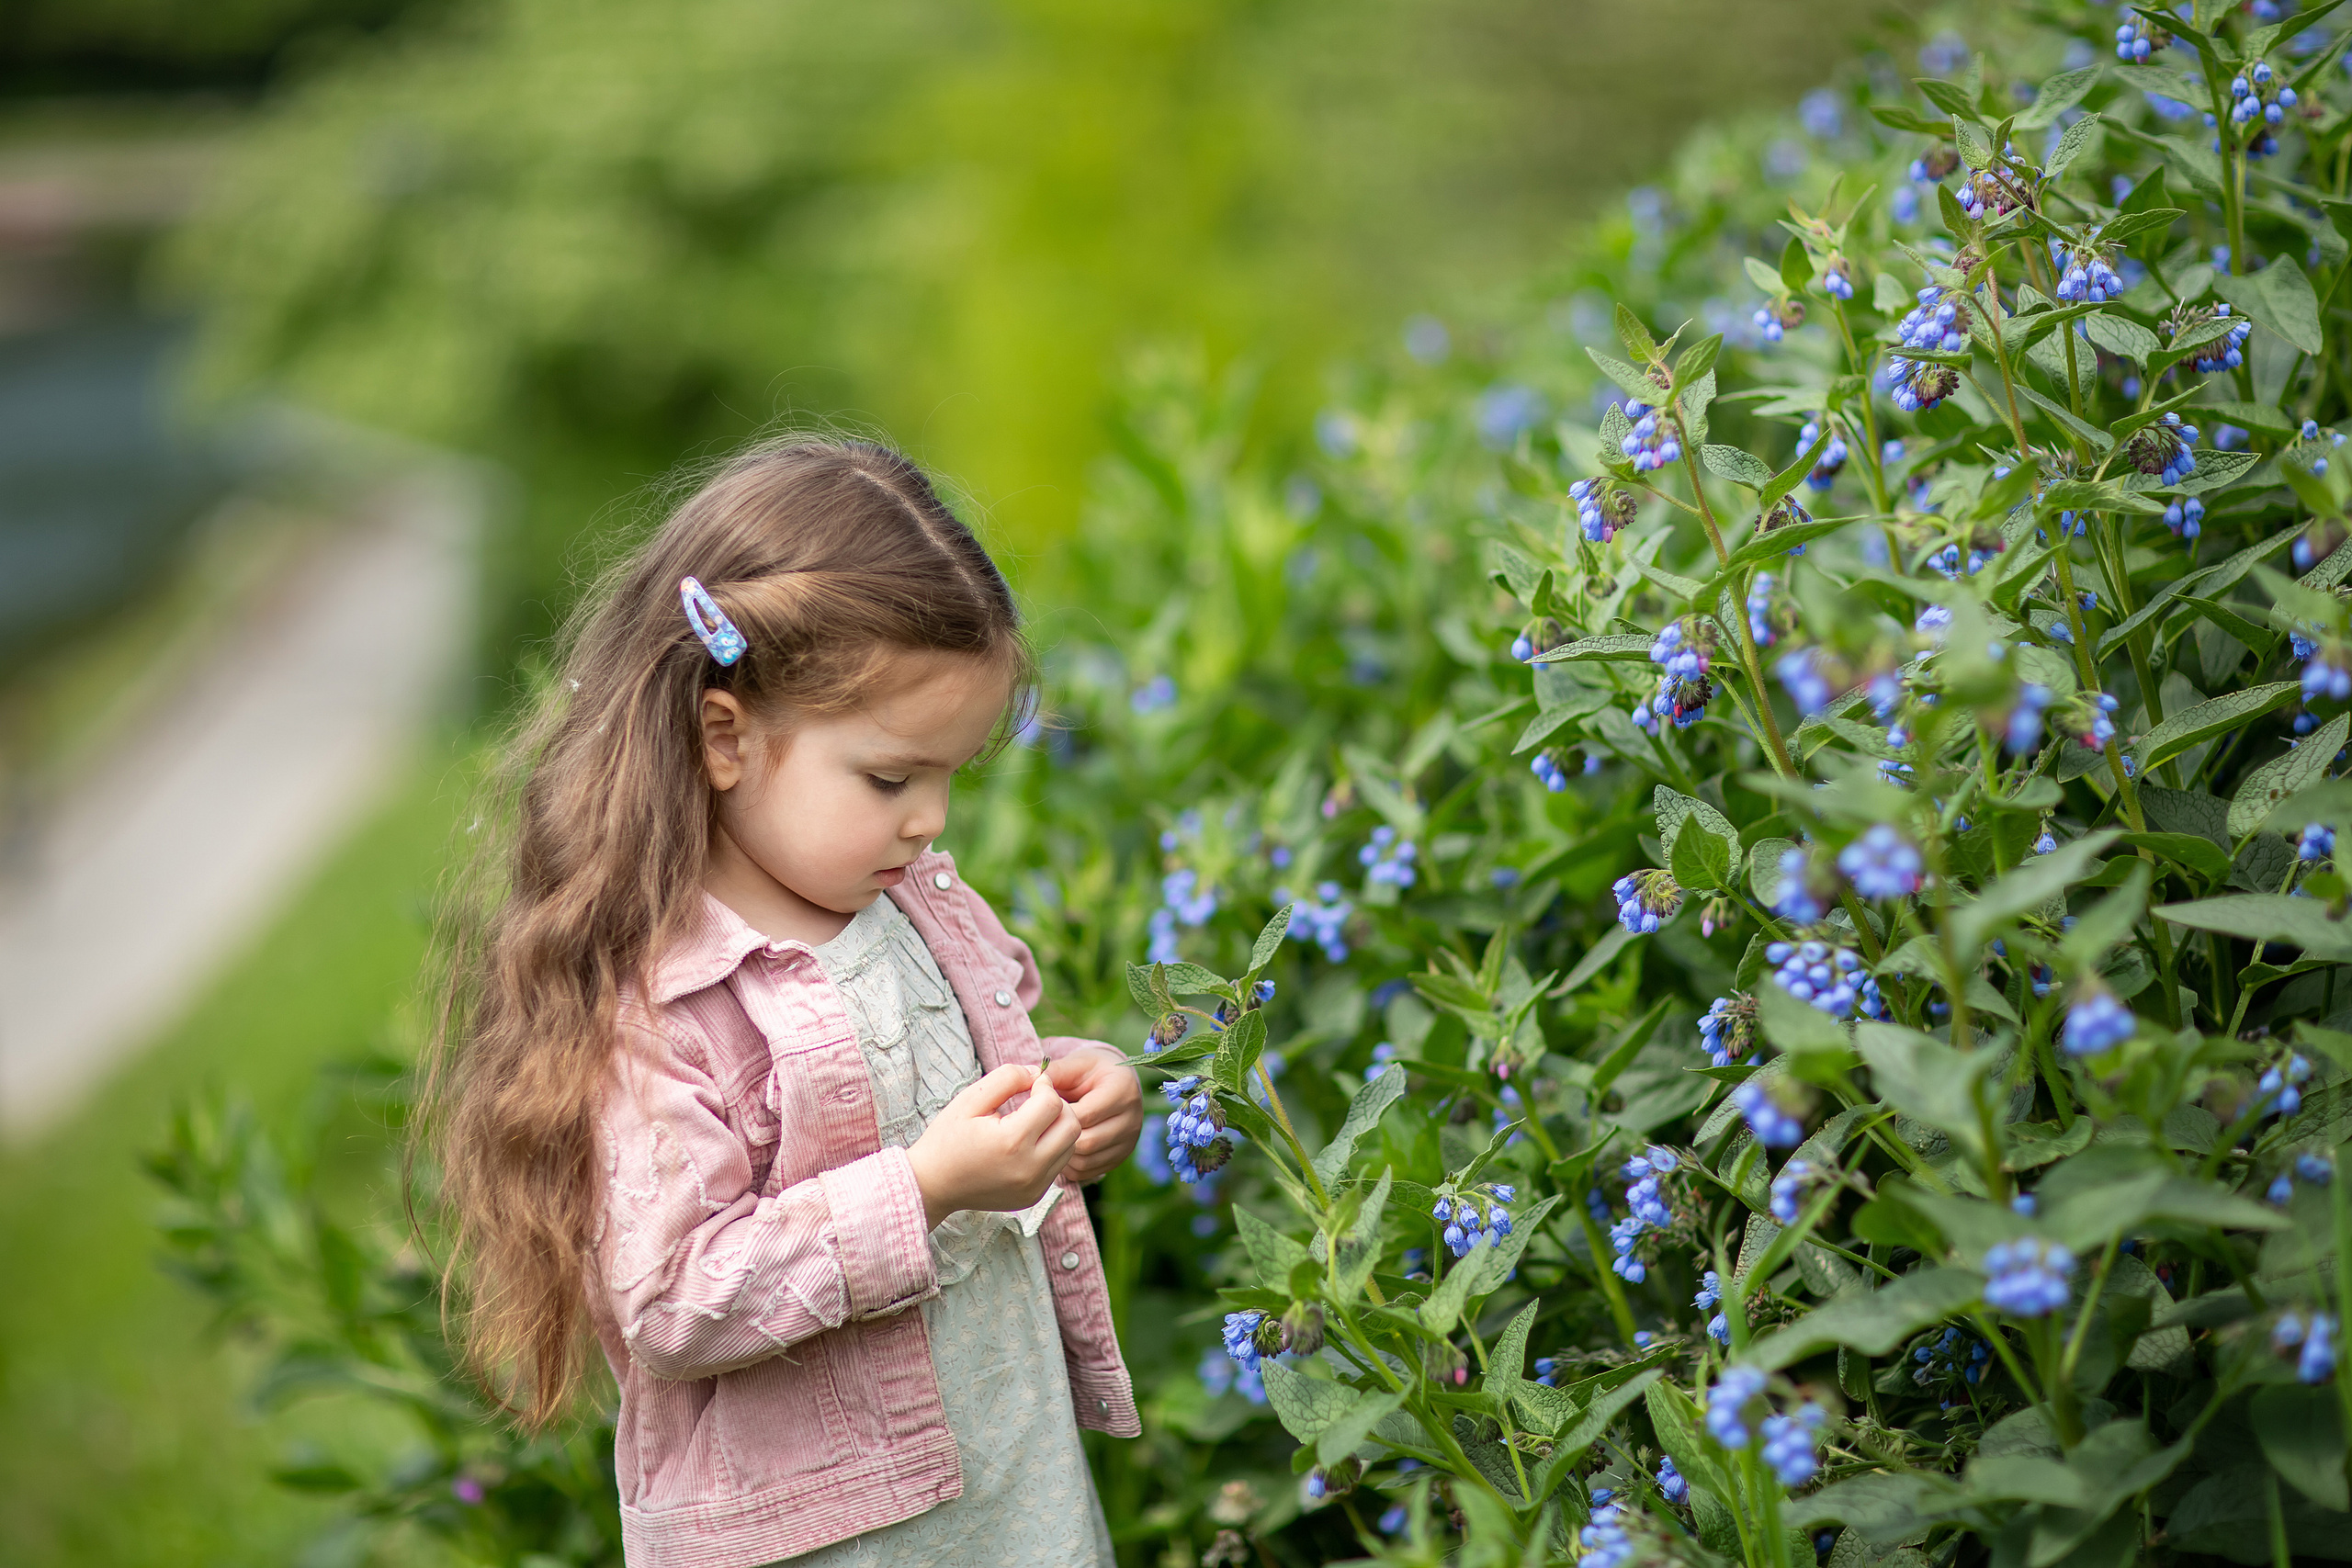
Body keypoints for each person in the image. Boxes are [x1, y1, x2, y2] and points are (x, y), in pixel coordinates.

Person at [424, 438, 1145, 1567]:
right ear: (727, 737)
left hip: (1004, 1474)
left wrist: (1064, 1088)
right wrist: (927, 1187)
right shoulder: (660, 1007)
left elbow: (927, 1088)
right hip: (827, 1535)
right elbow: (671, 1299)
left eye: (952, 775)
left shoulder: (905, 902)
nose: (931, 820)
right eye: (892, 778)